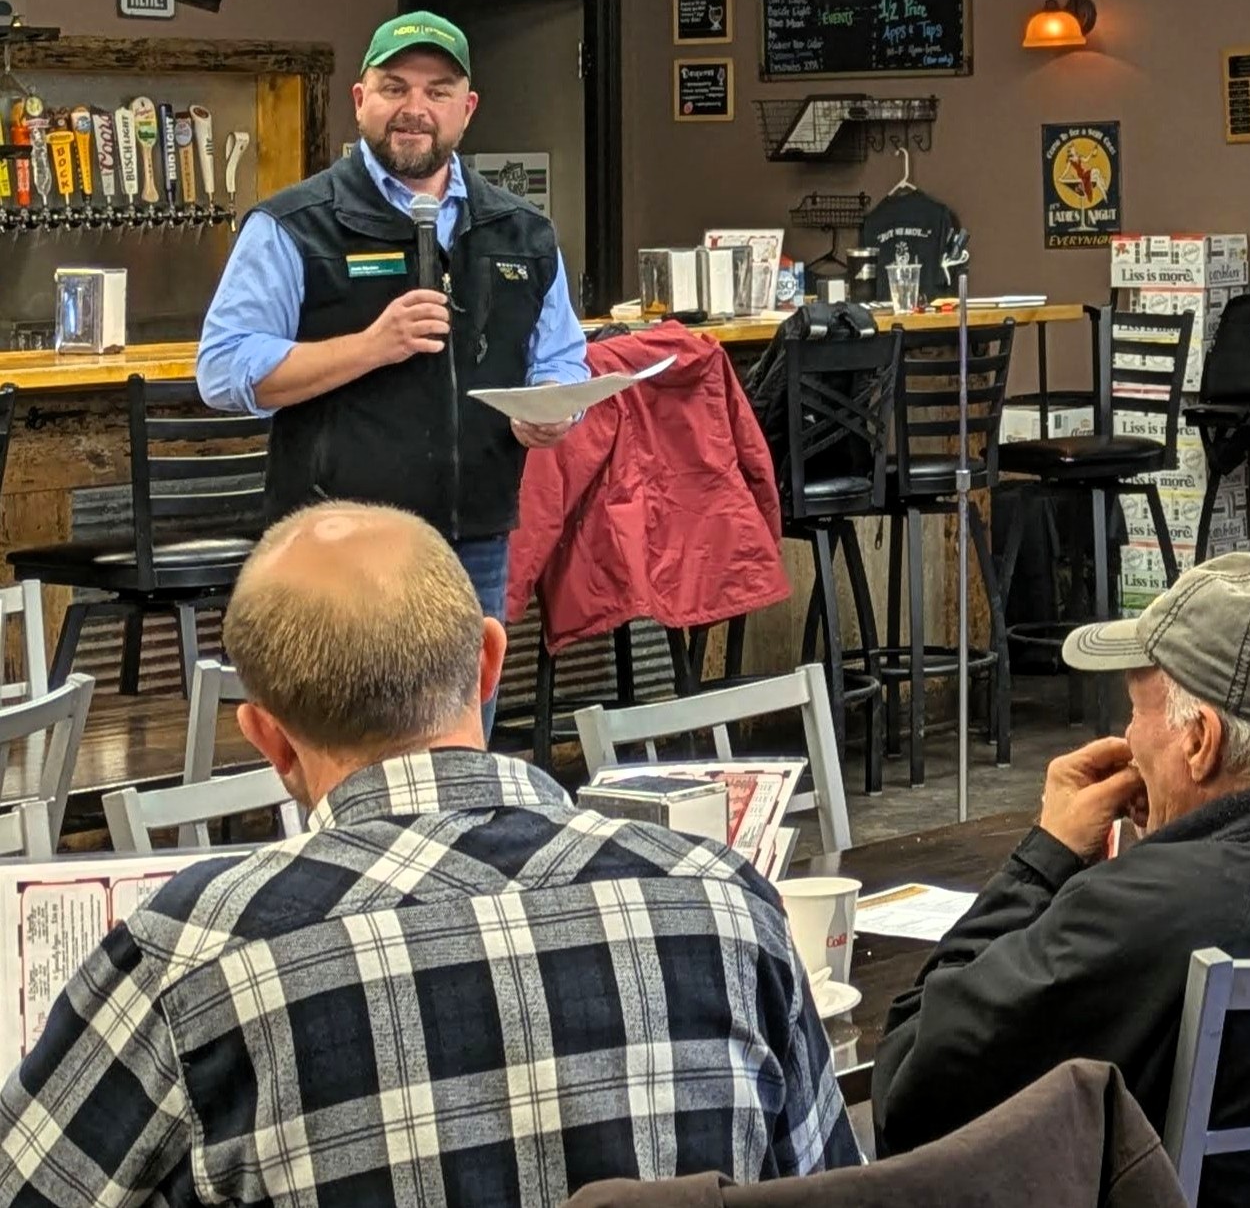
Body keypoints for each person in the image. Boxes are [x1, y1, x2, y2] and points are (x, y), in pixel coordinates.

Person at [0, 503, 860, 1205]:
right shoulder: (722, 899)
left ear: (267, 738)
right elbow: (833, 1185)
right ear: (490, 663)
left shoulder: (190, 955)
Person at [872, 551, 1250, 1205]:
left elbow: (910, 1089)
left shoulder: (1156, 911)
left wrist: (1045, 855)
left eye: (1138, 709)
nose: (1128, 736)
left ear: (1200, 741)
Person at [198, 11, 589, 732]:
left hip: (472, 545)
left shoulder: (523, 233)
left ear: (467, 110)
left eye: (438, 91)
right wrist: (371, 345)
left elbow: (562, 359)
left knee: (459, 747)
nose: (416, 108)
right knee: (343, 746)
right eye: (395, 86)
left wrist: (555, 413)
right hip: (334, 545)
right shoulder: (293, 226)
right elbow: (223, 371)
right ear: (359, 99)